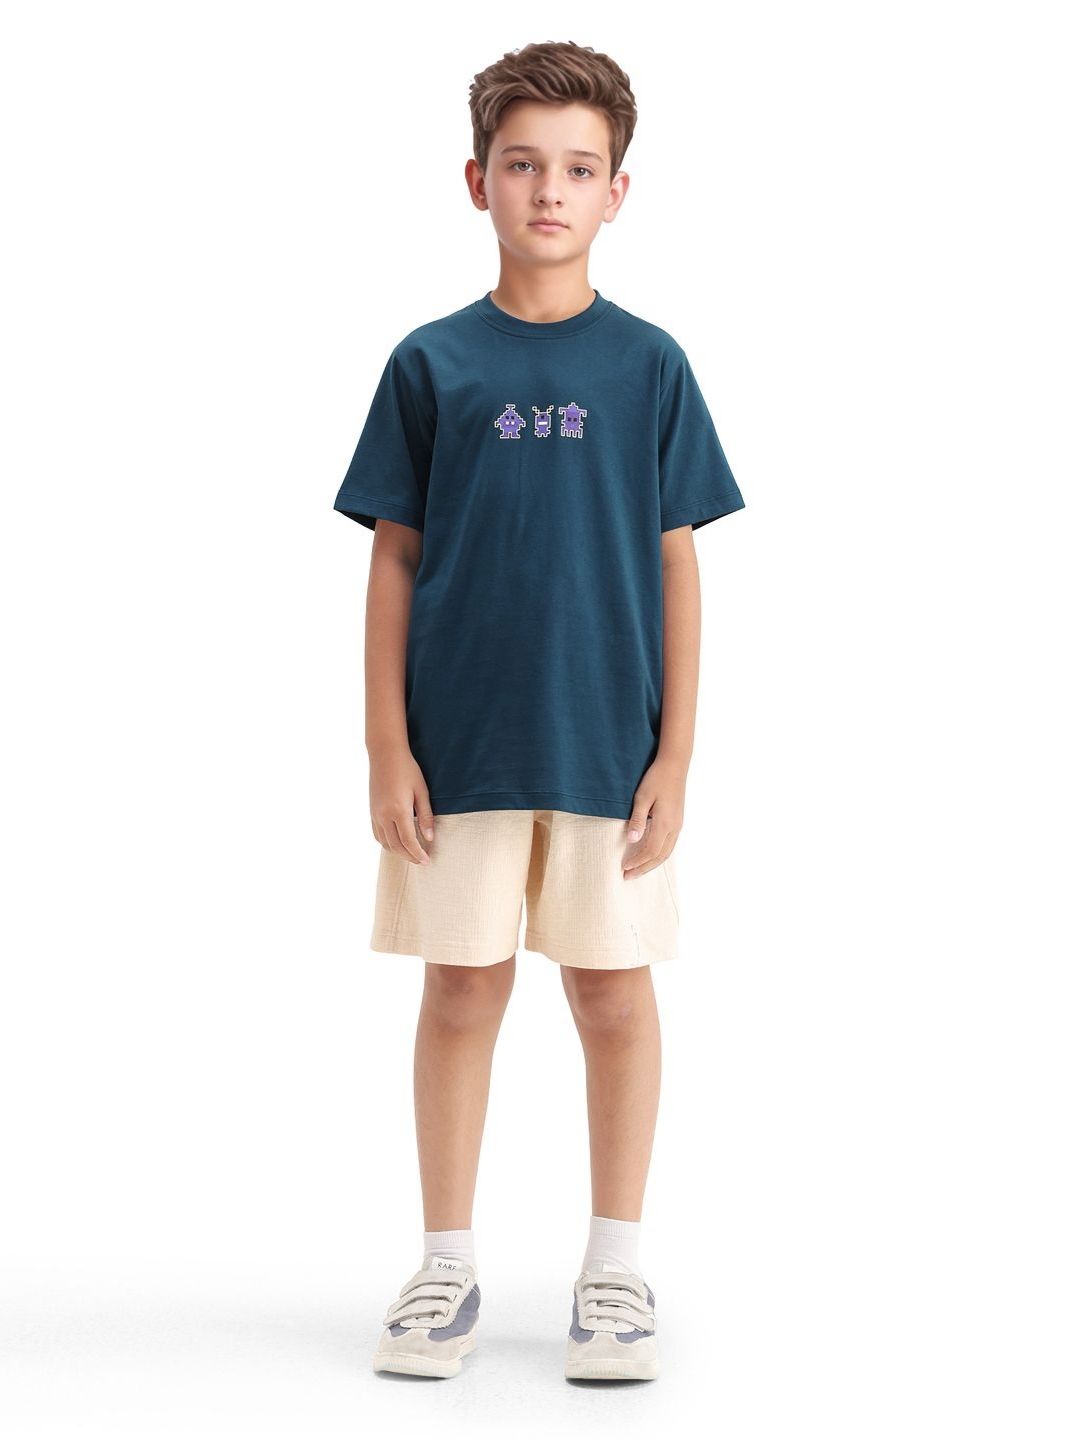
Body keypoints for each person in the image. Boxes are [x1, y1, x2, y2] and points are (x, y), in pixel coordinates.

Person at [333, 40, 745, 1382]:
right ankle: (445, 1264)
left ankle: (614, 1269)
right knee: (461, 990)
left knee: (613, 995)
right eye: (523, 165)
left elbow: (678, 562)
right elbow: (394, 555)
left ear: (618, 191)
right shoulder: (431, 362)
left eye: (577, 168)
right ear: (478, 181)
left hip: (606, 747)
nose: (548, 191)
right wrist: (386, 743)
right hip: (459, 748)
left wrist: (677, 754)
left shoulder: (650, 366)